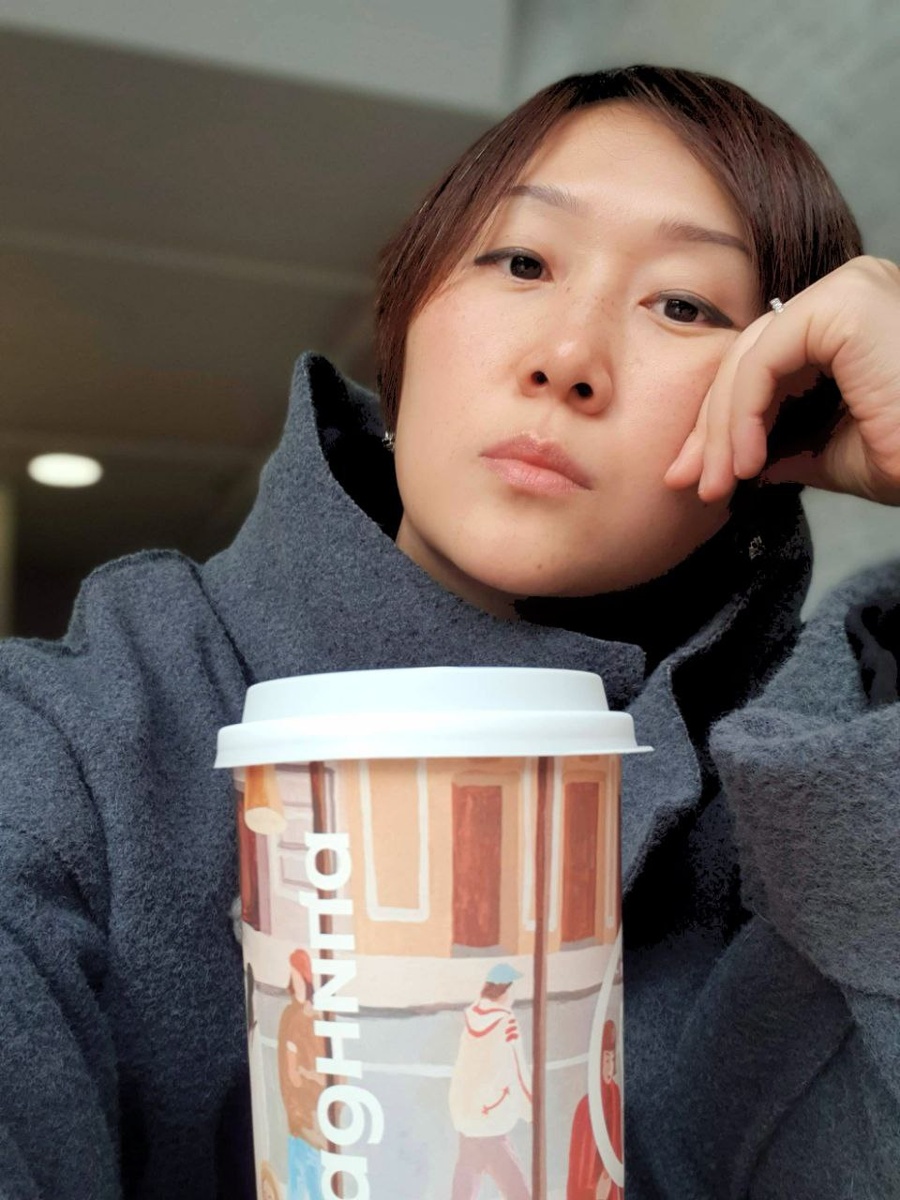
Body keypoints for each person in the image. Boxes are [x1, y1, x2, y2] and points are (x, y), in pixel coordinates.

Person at [0, 64, 898, 1199]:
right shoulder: (70, 741)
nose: (566, 358)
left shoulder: (822, 792)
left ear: (787, 404)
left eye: (683, 305)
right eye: (520, 261)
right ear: (409, 307)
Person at [448, 963, 532, 1199]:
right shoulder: (507, 1021)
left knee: (464, 1190)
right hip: (493, 1120)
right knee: (518, 1192)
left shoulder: (471, 1018)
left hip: (468, 1118)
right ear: (505, 990)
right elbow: (518, 1068)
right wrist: (531, 1108)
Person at [276, 950, 327, 1200]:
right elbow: (290, 1072)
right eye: (293, 975)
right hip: (297, 1115)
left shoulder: (309, 1019)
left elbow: (302, 1073)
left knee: (309, 1182)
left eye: (298, 975)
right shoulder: (294, 1016)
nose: (295, 980)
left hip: (308, 1115)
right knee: (302, 1182)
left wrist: (306, 1076)